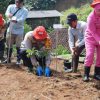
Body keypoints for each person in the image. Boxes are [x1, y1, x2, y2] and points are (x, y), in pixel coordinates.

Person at [4, 0, 28, 64]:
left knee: (18, 46)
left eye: (19, 2)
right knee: (8, 45)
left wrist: (16, 20)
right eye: (16, 1)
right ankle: (8, 59)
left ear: (22, 2)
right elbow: (6, 13)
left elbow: (22, 19)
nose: (17, 3)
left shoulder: (25, 10)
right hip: (10, 29)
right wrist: (9, 15)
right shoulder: (10, 6)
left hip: (19, 30)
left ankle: (18, 60)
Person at [83, 0, 100, 82]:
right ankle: (86, 75)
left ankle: (97, 74)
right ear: (95, 9)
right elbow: (92, 32)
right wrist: (99, 40)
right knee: (90, 55)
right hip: (90, 38)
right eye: (99, 10)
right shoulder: (90, 18)